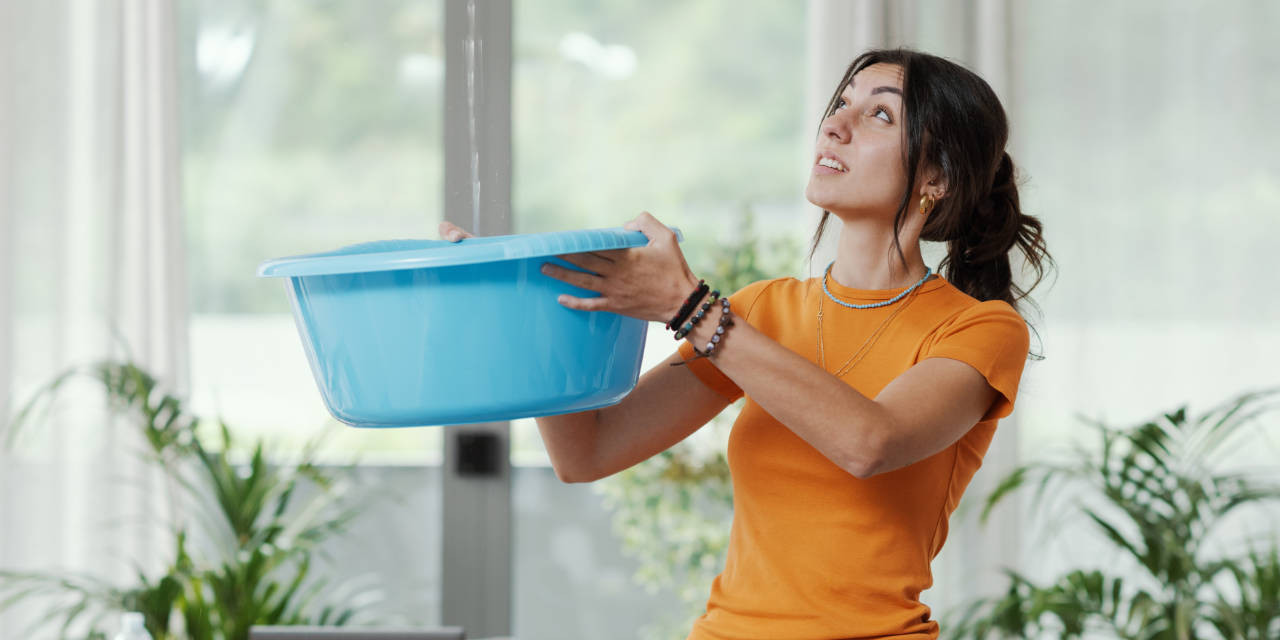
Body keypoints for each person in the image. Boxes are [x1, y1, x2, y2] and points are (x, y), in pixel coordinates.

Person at [440, 47, 1053, 640]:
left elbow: (870, 442)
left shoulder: (981, 331)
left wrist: (690, 309)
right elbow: (589, 453)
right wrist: (524, 307)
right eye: (840, 103)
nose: (835, 125)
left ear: (937, 176)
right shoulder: (763, 310)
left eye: (880, 113)